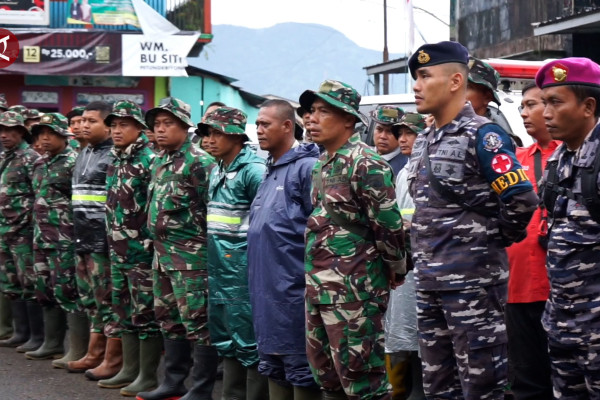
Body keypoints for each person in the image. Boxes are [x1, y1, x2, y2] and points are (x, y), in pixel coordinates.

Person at [406, 41, 538, 400]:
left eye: (424, 76)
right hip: (430, 282)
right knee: (437, 386)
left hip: (473, 286)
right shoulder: (423, 141)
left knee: (483, 386)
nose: (416, 85)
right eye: (415, 77)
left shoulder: (483, 135)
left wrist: (494, 238)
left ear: (454, 81)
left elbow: (521, 198)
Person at [299, 80, 406, 400]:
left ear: (348, 119)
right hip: (319, 283)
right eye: (311, 111)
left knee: (361, 377)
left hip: (355, 287)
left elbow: (388, 225)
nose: (312, 118)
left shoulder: (366, 162)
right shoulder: (322, 163)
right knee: (326, 372)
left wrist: (393, 269)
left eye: (323, 112)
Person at [137, 97, 218, 400]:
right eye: (156, 124)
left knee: (198, 324)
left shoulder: (201, 163)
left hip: (191, 260)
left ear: (185, 126)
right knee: (168, 320)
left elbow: (214, 212)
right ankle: (173, 382)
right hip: (162, 257)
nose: (160, 129)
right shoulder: (159, 160)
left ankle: (201, 390)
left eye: (167, 123)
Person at [247, 99, 320, 399]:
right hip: (266, 291)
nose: (259, 130)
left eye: (266, 124)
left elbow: (318, 233)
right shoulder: (271, 168)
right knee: (272, 365)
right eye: (258, 123)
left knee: (299, 367)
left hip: (292, 292)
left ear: (287, 126)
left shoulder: (306, 168)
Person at [535, 57, 600, 399]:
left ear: (588, 106)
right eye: (544, 102)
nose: (546, 112)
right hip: (562, 321)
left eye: (556, 102)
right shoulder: (558, 160)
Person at [200, 106, 268, 400]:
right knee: (225, 337)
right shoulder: (218, 169)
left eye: (217, 133)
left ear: (237, 136)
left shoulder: (253, 171)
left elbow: (266, 225)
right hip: (219, 268)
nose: (209, 140)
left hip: (242, 271)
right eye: (207, 133)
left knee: (248, 340)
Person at [94, 100, 161, 396]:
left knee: (145, 314)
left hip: (141, 253)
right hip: (118, 250)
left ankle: (147, 375)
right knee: (122, 310)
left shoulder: (150, 160)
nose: (117, 130)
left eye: (124, 125)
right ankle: (128, 369)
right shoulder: (116, 159)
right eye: (114, 125)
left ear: (140, 128)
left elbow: (154, 208)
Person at [504, 83, 557, 400]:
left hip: (565, 291)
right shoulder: (515, 160)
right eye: (522, 106)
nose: (524, 112)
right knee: (525, 381)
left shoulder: (580, 158)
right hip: (519, 288)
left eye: (531, 104)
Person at [67, 101, 118, 376]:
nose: (84, 125)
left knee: (106, 300)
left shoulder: (113, 155)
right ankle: (93, 353)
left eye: (91, 121)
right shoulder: (84, 152)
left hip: (103, 241)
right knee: (89, 299)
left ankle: (110, 359)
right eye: (82, 120)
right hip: (82, 238)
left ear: (108, 125)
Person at [26, 113, 81, 363]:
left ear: (63, 135)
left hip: (64, 237)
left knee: (66, 289)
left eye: (50, 133)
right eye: (41, 134)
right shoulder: (39, 163)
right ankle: (51, 343)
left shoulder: (74, 162)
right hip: (41, 235)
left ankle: (75, 349)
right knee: (43, 288)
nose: (44, 139)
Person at [385, 112, 427, 400]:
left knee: (426, 333)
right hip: (406, 264)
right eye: (400, 133)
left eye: (409, 133)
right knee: (404, 329)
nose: (403, 139)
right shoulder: (402, 172)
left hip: (427, 263)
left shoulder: (429, 168)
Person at [0, 111, 43, 353]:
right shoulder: (5, 157)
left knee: (29, 282)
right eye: (1, 131)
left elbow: (39, 195)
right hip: (5, 230)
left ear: (21, 133)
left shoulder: (30, 158)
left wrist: (28, 222)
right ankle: (19, 332)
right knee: (11, 282)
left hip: (23, 230)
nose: (4, 135)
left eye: (10, 130)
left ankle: (36, 336)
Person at [466, 57, 523, 146]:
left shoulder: (497, 138)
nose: (456, 92)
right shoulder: (446, 128)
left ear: (487, 97)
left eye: (466, 87)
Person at [371, 105, 408, 176]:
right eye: (379, 129)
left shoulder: (406, 166)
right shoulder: (362, 156)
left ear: (399, 134)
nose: (383, 136)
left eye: (389, 131)